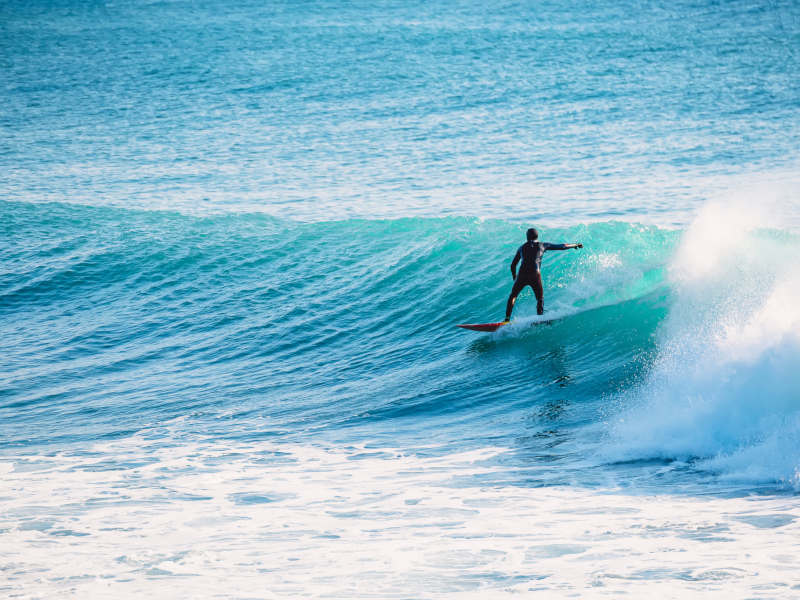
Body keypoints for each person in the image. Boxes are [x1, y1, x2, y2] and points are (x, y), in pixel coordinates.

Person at [504, 228, 582, 321]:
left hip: (522, 274)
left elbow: (513, 265)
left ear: (527, 237)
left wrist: (515, 277)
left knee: (513, 296)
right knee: (540, 299)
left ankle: (507, 319)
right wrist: (575, 245)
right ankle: (540, 318)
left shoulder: (521, 248)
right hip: (534, 274)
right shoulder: (543, 245)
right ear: (537, 237)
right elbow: (562, 246)